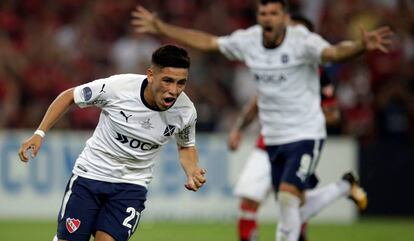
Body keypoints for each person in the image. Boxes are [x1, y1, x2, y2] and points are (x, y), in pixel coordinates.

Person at [131, 1, 392, 241]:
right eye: (263, 13)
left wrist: (359, 46)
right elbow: (209, 42)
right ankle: (344, 186)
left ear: (285, 18)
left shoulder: (302, 41)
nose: (268, 18)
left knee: (288, 199)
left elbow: (334, 53)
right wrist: (162, 27)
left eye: (274, 13)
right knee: (292, 203)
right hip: (272, 138)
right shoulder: (249, 40)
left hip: (305, 133)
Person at [18, 45, 206, 241]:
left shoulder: (186, 112)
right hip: (90, 176)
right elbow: (69, 96)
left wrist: (192, 169)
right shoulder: (118, 88)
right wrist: (39, 133)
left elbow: (185, 146)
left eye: (181, 83)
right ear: (151, 75)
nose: (174, 90)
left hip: (131, 185)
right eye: (167, 81)